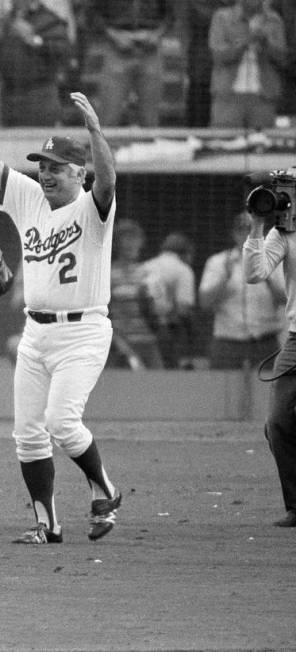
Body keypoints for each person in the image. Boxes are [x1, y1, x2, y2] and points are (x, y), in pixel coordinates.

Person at [0, 66, 122, 543]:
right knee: (27, 434)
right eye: (42, 165)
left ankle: (104, 489)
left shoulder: (93, 207)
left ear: (78, 173)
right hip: (37, 332)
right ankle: (48, 525)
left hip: (83, 330)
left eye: (56, 167)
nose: (46, 173)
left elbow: (108, 179)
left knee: (62, 422)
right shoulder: (28, 197)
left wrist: (97, 132)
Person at [242, 194, 296, 527]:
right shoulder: (286, 231)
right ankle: (295, 506)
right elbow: (254, 273)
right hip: (295, 339)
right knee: (278, 422)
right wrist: (257, 226)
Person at [199, 211, 286, 370]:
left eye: (252, 230)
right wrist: (224, 278)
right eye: (242, 231)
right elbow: (204, 302)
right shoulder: (218, 262)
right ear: (234, 234)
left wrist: (267, 277)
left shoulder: (275, 261)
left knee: (269, 390)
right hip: (228, 342)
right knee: (221, 391)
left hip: (265, 341)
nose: (247, 235)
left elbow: (286, 300)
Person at [82, 0, 175, 127]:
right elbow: (92, 13)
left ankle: (149, 145)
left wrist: (157, 35)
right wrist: (113, 35)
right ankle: (106, 146)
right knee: (109, 116)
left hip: (150, 49)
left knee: (150, 119)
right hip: (117, 48)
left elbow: (171, 14)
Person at [208, 0, 287, 130]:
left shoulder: (274, 20)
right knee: (225, 146)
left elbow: (282, 59)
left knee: (262, 146)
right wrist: (248, 39)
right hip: (228, 98)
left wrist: (265, 43)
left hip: (263, 98)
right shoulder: (222, 17)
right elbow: (219, 56)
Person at [0, 0, 71, 127]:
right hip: (9, 95)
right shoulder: (7, 21)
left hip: (39, 94)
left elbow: (63, 50)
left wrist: (34, 40)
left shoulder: (49, 19)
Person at [108, 219, 163, 369]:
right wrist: (119, 343)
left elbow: (162, 310)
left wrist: (151, 299)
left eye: (135, 239)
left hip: (149, 342)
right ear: (117, 244)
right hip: (119, 345)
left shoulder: (149, 272)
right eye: (126, 240)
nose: (130, 245)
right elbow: (103, 315)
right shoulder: (108, 274)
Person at [142, 231, 197, 369]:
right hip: (167, 333)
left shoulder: (145, 266)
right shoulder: (183, 270)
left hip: (141, 331)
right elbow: (183, 309)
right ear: (186, 253)